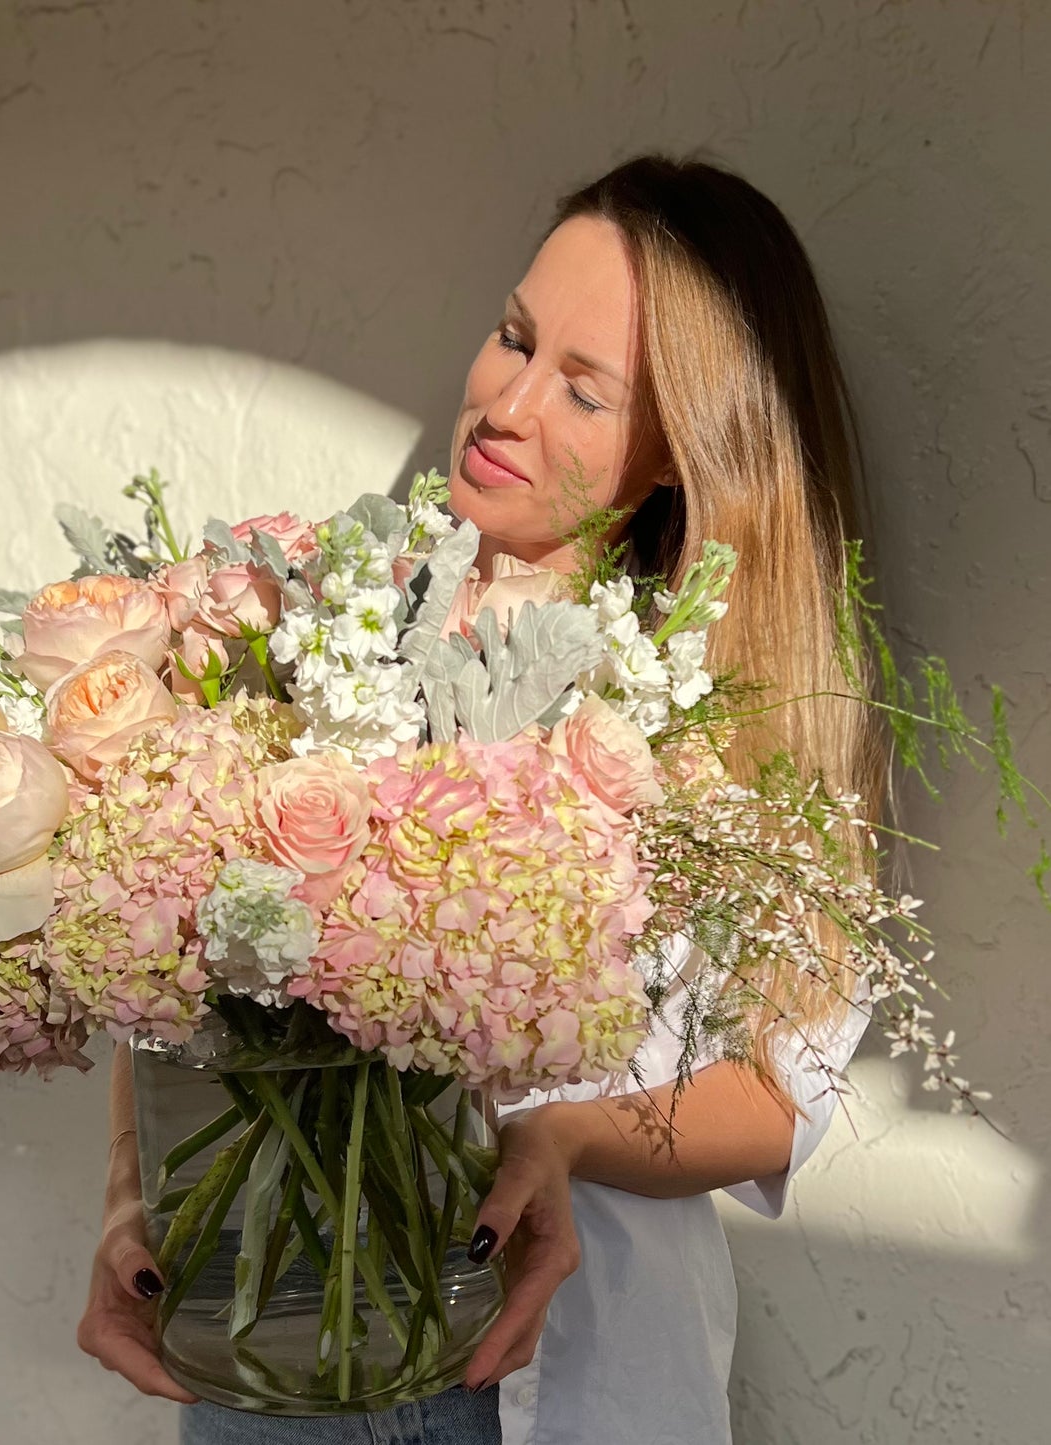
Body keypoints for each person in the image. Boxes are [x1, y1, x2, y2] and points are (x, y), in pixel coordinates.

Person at [76, 153, 887, 1445]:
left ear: (683, 447)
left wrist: (559, 1138)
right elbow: (177, 966)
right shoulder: (309, 631)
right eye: (511, 338)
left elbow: (776, 1093)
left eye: (581, 385)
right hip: (283, 1356)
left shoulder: (730, 708)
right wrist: (138, 1199)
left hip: (571, 1372)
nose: (503, 403)